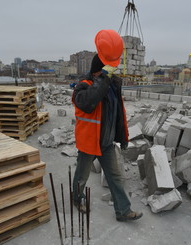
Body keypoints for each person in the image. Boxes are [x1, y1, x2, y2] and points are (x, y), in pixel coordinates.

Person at [71, 29, 142, 222]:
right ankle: (77, 199)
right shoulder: (83, 87)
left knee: (115, 178)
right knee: (81, 177)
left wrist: (123, 137)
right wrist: (102, 79)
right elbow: (88, 102)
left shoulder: (111, 84)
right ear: (98, 70)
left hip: (107, 142)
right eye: (105, 70)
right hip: (89, 143)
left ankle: (123, 211)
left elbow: (117, 113)